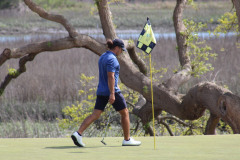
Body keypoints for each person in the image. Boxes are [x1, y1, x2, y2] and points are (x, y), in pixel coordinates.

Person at [71, 39, 141, 147]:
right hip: (112, 91)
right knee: (125, 113)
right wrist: (112, 93)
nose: (121, 52)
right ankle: (127, 140)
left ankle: (78, 133)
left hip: (101, 91)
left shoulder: (103, 56)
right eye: (121, 50)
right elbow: (110, 76)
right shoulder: (112, 59)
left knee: (95, 114)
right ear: (116, 48)